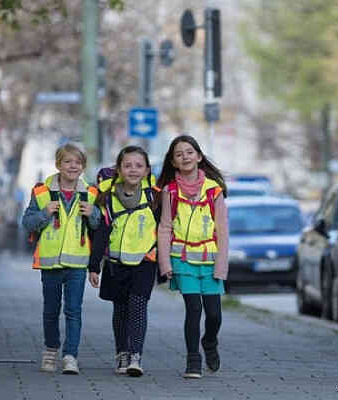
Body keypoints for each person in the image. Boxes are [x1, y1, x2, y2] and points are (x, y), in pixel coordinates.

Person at [22, 142, 100, 374]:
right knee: (50, 310)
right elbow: (27, 223)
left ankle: (70, 356)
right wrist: (45, 213)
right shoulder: (42, 192)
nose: (72, 166)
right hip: (51, 262)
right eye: (67, 161)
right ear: (58, 165)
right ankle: (50, 351)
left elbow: (100, 227)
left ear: (83, 167)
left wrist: (93, 214)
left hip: (77, 263)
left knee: (74, 310)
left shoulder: (92, 193)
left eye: (77, 162)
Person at [157, 135, 228, 379]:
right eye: (179, 154)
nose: (185, 157)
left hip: (210, 260)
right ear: (174, 162)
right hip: (183, 260)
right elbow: (165, 228)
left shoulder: (213, 191)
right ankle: (193, 360)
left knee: (214, 315)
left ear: (198, 156)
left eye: (189, 152)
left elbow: (222, 231)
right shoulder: (170, 192)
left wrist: (221, 267)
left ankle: (209, 342)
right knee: (194, 309)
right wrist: (165, 264)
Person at [88, 146, 160, 377]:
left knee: (138, 307)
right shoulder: (108, 198)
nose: (133, 170)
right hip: (115, 263)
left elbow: (164, 229)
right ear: (118, 169)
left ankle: (135, 356)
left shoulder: (154, 197)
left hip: (144, 262)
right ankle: (121, 352)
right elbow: (101, 233)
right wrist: (94, 265)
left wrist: (163, 260)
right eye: (128, 165)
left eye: (139, 166)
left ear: (147, 170)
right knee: (120, 310)